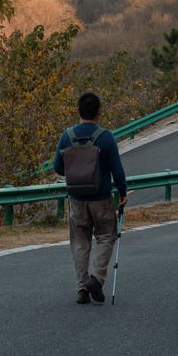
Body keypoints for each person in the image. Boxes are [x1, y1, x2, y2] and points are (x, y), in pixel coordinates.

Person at [54, 92, 128, 304]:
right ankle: (96, 277)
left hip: (76, 198)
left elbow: (58, 167)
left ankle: (81, 289)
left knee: (80, 241)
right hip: (102, 197)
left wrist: (76, 172)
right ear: (98, 112)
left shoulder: (67, 136)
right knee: (106, 236)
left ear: (78, 111)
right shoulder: (106, 137)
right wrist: (122, 192)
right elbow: (117, 169)